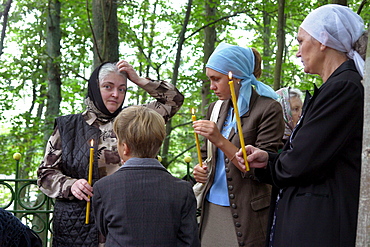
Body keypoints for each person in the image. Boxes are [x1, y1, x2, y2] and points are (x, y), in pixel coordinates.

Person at [235, 4, 367, 246]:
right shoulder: (334, 87)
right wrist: (267, 159)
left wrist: (273, 164)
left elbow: (299, 163)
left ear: (323, 40)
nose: (297, 52)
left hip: (321, 226)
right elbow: (301, 157)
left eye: (300, 41)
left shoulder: (344, 88)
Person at [37, 60, 184, 246]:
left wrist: (139, 80)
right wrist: (70, 185)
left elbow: (174, 99)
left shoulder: (134, 121)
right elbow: (45, 174)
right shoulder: (68, 127)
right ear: (94, 87)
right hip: (77, 229)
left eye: (122, 89)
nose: (116, 94)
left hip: (128, 225)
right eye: (108, 87)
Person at [192, 43, 285, 247]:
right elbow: (209, 158)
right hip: (211, 209)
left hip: (249, 215)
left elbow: (264, 168)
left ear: (235, 76)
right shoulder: (215, 109)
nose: (212, 86)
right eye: (210, 79)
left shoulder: (269, 109)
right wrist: (201, 171)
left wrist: (220, 140)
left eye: (217, 79)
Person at [92, 106, 200, 247]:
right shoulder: (183, 190)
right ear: (159, 143)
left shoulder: (103, 187)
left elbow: (105, 230)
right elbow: (189, 241)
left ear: (125, 147)